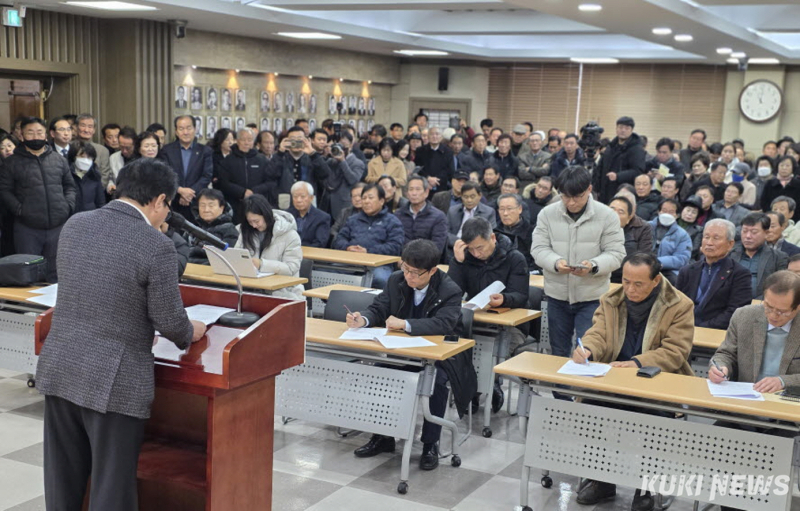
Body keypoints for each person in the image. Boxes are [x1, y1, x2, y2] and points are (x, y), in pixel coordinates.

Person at [35, 157, 206, 511]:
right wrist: (193, 329)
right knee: (111, 488)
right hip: (114, 382)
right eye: (168, 206)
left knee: (62, 481)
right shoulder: (155, 245)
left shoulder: (76, 224)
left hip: (61, 367)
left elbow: (94, 288)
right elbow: (171, 323)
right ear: (160, 200)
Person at [573, 252, 694, 509]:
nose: (630, 289)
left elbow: (675, 351)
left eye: (638, 284)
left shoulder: (679, 305)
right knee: (592, 409)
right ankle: (602, 480)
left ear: (656, 280)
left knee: (654, 421)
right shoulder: (611, 299)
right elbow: (598, 333)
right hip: (615, 381)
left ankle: (646, 487)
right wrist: (588, 349)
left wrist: (638, 363)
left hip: (657, 385)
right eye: (626, 281)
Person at [348, 240, 465, 470]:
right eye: (405, 268)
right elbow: (379, 308)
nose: (409, 276)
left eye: (415, 273)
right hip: (401, 351)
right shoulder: (396, 280)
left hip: (438, 356)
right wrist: (364, 320)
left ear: (432, 271)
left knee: (436, 383)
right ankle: (383, 436)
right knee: (379, 373)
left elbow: (444, 323)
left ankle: (430, 444)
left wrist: (406, 324)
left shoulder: (449, 289)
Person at [532, 166, 625, 361]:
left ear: (589, 189)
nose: (571, 202)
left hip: (592, 297)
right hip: (557, 295)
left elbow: (616, 254)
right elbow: (538, 249)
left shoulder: (607, 216)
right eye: (566, 197)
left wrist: (593, 265)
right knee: (558, 353)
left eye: (577, 197)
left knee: (587, 353)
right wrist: (556, 263)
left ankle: (582, 382)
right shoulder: (547, 214)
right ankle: (560, 383)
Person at [449, 216, 529, 407]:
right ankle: (473, 390)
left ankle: (489, 386)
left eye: (480, 248)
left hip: (509, 326)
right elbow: (452, 292)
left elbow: (521, 295)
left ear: (492, 238)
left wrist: (505, 299)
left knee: (488, 355)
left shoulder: (514, 258)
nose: (476, 254)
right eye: (471, 249)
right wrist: (458, 262)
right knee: (461, 349)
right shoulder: (466, 258)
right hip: (476, 322)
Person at [0, 117, 77, 282]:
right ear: (21, 135)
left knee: (57, 274)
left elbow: (70, 186)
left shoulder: (58, 159)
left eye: (39, 132)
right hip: (27, 228)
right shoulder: (11, 162)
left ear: (46, 135)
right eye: (30, 132)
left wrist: (68, 206)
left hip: (58, 225)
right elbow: (4, 191)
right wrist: (20, 210)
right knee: (29, 275)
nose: (35, 136)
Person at [710, 271, 800, 409]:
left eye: (781, 312)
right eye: (768, 307)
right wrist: (721, 367)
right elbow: (726, 354)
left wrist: (783, 381)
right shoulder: (744, 316)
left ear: (797, 307)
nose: (773, 315)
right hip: (745, 402)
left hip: (790, 407)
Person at [676, 219, 752, 329]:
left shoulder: (739, 274)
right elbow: (676, 304)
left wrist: (702, 327)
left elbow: (735, 311)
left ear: (730, 244)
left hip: (716, 331)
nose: (709, 243)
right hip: (684, 328)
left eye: (716, 238)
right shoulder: (687, 271)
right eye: (706, 237)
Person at [332, 183, 404, 289]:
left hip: (379, 265)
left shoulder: (392, 221)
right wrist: (347, 247)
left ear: (381, 201)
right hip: (351, 262)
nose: (366, 201)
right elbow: (339, 239)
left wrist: (368, 251)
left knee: (380, 279)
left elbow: (395, 247)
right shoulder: (353, 220)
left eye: (370, 198)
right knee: (328, 272)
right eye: (364, 198)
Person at [235, 194, 304, 301]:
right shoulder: (246, 231)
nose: (254, 225)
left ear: (266, 215)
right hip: (250, 289)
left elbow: (291, 268)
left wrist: (262, 264)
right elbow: (236, 257)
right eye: (250, 222)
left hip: (284, 292)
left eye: (256, 221)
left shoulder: (289, 235)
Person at [215, 128, 275, 224]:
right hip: (234, 205)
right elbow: (223, 183)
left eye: (249, 140)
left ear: (253, 142)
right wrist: (242, 192)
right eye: (243, 139)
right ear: (237, 141)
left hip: (257, 204)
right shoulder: (227, 161)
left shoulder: (262, 160)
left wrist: (254, 191)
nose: (246, 142)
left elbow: (270, 182)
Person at [159, 115, 213, 219]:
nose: (185, 132)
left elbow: (207, 176)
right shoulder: (166, 151)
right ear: (176, 131)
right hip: (173, 201)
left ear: (195, 129)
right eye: (181, 129)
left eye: (189, 128)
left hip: (196, 203)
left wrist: (189, 194)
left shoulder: (205, 151)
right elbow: (164, 175)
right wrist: (180, 190)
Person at [730, 213, 789, 299]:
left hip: (761, 304)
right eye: (744, 231)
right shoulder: (729, 254)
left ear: (766, 233)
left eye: (754, 232)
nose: (748, 236)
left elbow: (779, 288)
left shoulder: (778, 258)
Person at [594, 116, 647, 204]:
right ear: (616, 128)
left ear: (631, 130)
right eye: (620, 127)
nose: (623, 130)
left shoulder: (636, 149)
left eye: (627, 128)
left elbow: (638, 171)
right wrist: (597, 187)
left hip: (623, 191)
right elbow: (601, 166)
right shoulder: (611, 146)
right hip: (604, 192)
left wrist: (618, 176)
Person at [274, 126, 331, 206]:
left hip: (308, 202)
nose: (296, 141)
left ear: (306, 140)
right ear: (287, 140)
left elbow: (325, 173)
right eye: (293, 139)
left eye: (299, 138)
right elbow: (271, 175)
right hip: (286, 202)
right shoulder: (281, 157)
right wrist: (280, 153)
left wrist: (313, 153)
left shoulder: (312, 158)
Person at [395, 175, 447, 253]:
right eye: (411, 189)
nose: (414, 193)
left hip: (427, 258)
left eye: (418, 189)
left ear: (426, 192)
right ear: (407, 193)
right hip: (402, 258)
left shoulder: (438, 217)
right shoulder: (398, 214)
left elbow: (437, 247)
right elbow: (395, 242)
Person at [187, 188, 239, 265]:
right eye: (202, 205)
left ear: (221, 208)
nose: (206, 210)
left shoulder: (229, 229)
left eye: (211, 206)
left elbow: (225, 258)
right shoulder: (193, 227)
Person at [608, 196, 653, 284]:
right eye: (612, 209)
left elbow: (644, 257)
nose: (614, 214)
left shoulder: (643, 228)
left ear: (629, 217)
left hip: (627, 276)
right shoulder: (597, 225)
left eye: (620, 212)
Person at [649, 199, 691, 284]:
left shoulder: (683, 235)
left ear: (677, 215)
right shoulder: (646, 227)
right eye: (664, 210)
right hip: (643, 264)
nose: (667, 214)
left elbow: (682, 258)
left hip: (667, 269)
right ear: (659, 212)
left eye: (671, 212)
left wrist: (658, 262)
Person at [446, 181, 496, 252]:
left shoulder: (489, 212)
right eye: (465, 197)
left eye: (472, 197)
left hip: (477, 248)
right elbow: (445, 232)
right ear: (461, 196)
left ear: (479, 195)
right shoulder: (452, 211)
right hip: (454, 246)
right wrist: (460, 243)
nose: (469, 200)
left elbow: (490, 235)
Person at [496, 193, 535, 271]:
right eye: (502, 209)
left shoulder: (532, 233)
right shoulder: (494, 234)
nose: (505, 213)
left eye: (509, 208)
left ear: (520, 209)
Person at [287, 181, 331, 248]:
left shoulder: (322, 218)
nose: (298, 200)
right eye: (295, 197)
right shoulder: (287, 215)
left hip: (310, 253)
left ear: (311, 198)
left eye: (302, 197)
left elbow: (320, 243)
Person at [74, 114, 112, 191]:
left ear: (94, 130)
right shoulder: (69, 147)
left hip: (95, 193)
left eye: (90, 127)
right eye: (83, 126)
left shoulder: (102, 150)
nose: (86, 130)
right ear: (76, 127)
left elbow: (105, 176)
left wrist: (94, 191)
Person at [68, 141, 105, 213]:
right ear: (73, 157)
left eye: (89, 157)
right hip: (71, 216)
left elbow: (100, 202)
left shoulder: (95, 175)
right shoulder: (67, 175)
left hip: (91, 215)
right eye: (82, 156)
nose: (86, 160)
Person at [761, 155, 800, 222]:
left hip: (795, 220)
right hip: (772, 219)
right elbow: (764, 202)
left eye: (787, 166)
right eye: (781, 165)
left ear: (793, 167)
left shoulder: (798, 184)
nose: (784, 168)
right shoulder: (770, 183)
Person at [416, 126, 455, 192]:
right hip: (424, 185)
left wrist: (436, 180)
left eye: (437, 134)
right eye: (432, 134)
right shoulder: (420, 151)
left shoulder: (448, 151)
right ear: (428, 136)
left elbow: (449, 170)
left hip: (442, 186)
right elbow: (418, 168)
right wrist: (428, 178)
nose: (434, 136)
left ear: (441, 137)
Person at [109, 127, 138, 193]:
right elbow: (110, 178)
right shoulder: (113, 158)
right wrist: (110, 185)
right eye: (121, 147)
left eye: (128, 148)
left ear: (134, 144)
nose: (124, 151)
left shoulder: (142, 158)